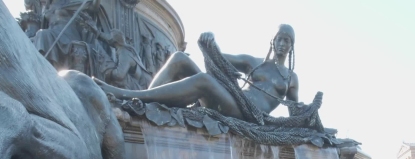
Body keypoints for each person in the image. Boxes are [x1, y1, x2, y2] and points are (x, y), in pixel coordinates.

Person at [96, 24, 299, 121]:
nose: (282, 43)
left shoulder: (291, 78)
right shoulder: (254, 62)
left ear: (292, 46)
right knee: (179, 58)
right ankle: (144, 105)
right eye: (279, 38)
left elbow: (295, 112)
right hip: (234, 99)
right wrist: (211, 39)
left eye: (287, 40)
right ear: (272, 41)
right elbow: (216, 55)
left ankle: (128, 96)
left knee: (204, 80)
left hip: (249, 115)